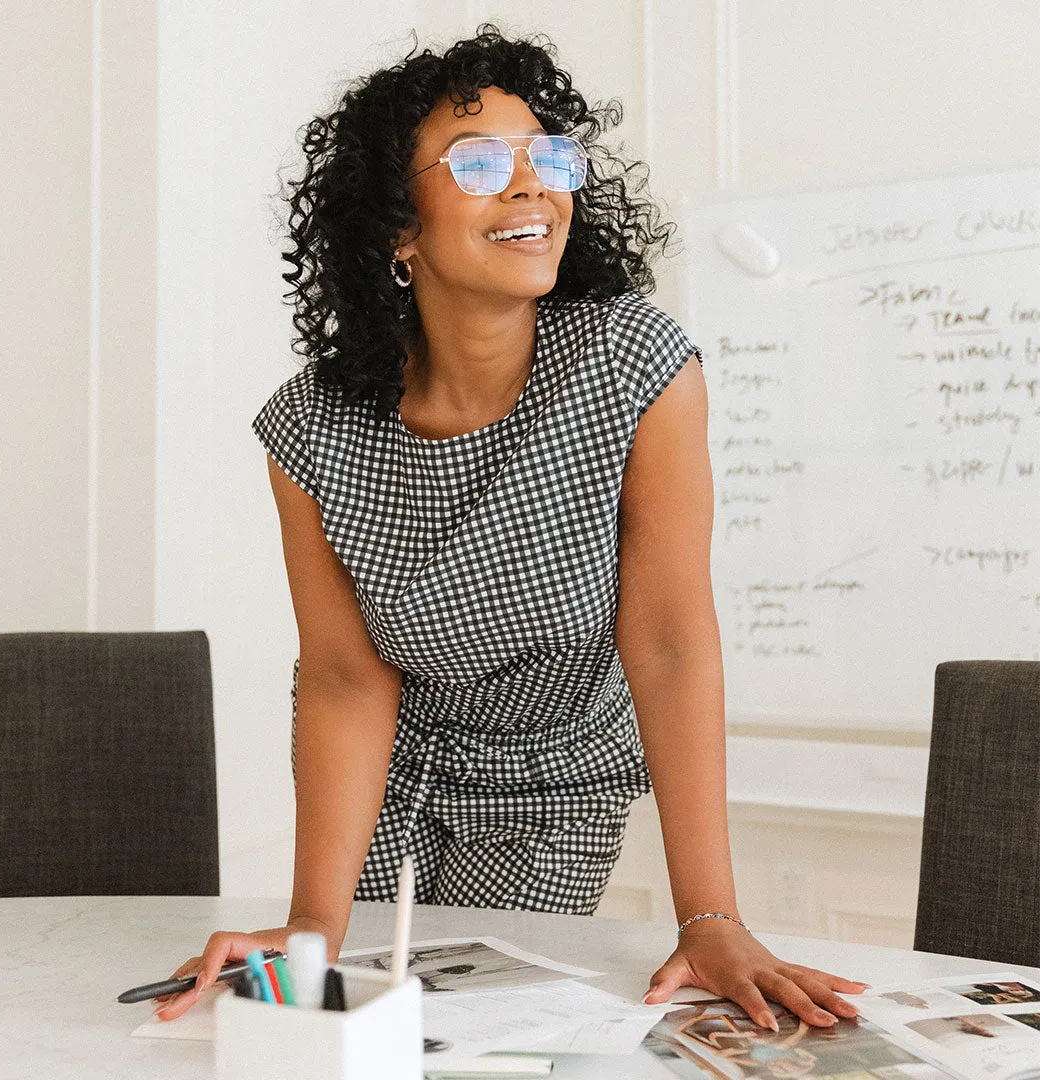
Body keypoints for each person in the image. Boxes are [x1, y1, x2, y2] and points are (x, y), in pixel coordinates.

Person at [155, 23, 865, 1029]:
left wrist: (710, 912)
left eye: (550, 159)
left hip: (553, 778)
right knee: (330, 1031)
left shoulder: (633, 367)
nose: (534, 187)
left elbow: (666, 643)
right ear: (397, 226)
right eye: (482, 163)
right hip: (389, 776)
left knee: (476, 1038)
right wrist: (312, 925)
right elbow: (348, 676)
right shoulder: (310, 427)